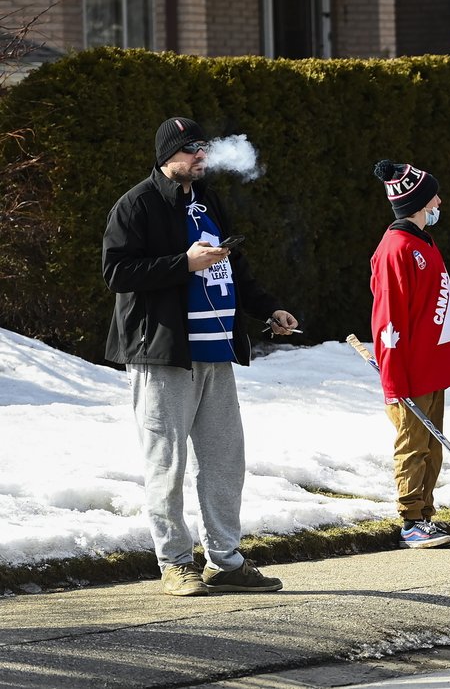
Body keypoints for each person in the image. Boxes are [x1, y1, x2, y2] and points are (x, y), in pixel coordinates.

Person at [102, 116, 296, 597]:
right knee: (166, 463)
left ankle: (226, 563)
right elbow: (117, 271)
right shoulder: (137, 204)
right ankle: (174, 563)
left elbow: (235, 267)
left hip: (216, 353)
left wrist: (267, 307)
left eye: (203, 148)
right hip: (164, 356)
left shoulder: (207, 203)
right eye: (191, 149)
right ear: (166, 155)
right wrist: (183, 264)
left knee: (225, 461)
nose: (200, 157)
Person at [370, 159, 450, 549]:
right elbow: (388, 315)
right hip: (409, 368)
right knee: (413, 442)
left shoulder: (423, 242)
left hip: (430, 365)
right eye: (433, 195)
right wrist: (393, 374)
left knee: (433, 445)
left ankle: (425, 515)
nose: (439, 201)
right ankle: (410, 519)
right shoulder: (396, 249)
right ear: (416, 201)